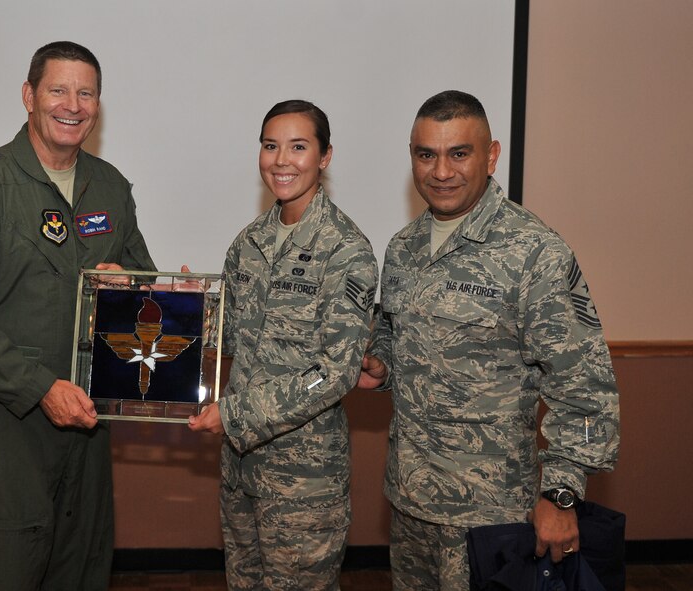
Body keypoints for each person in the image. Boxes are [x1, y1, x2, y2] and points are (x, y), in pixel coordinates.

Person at [358, 90, 620, 590]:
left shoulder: (533, 251)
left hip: (492, 513)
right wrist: (383, 366)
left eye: (459, 153)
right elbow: (395, 336)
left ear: (491, 154)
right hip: (411, 502)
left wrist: (562, 495)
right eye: (426, 154)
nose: (441, 171)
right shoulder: (404, 248)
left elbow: (583, 386)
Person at [0, 41, 157, 591]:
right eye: (58, 89)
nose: (72, 104)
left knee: (82, 572)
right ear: (29, 96)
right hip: (5, 431)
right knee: (7, 570)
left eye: (86, 92)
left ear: (98, 104)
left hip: (88, 428)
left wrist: (137, 289)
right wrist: (38, 386)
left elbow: (143, 280)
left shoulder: (110, 187)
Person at [189, 100, 378, 590]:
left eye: (298, 146)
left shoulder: (346, 249)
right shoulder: (248, 244)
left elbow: (335, 370)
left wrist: (235, 415)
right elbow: (230, 341)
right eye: (271, 146)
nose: (281, 160)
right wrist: (188, 309)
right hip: (241, 470)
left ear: (325, 156)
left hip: (304, 484)